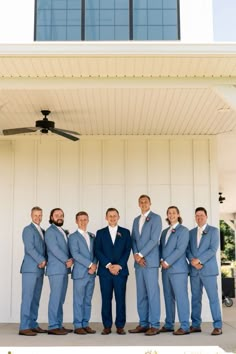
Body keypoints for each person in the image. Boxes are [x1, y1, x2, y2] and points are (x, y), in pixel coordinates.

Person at [94, 208, 131, 335]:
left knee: (120, 299)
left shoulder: (125, 232)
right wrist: (109, 265)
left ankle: (120, 326)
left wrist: (119, 265)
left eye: (115, 216)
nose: (112, 218)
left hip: (121, 271)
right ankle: (107, 326)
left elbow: (127, 250)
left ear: (118, 217)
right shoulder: (100, 233)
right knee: (106, 299)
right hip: (105, 272)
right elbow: (97, 250)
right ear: (106, 217)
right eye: (110, 216)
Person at [129, 195, 162, 336]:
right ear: (138, 204)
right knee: (141, 294)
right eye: (141, 202)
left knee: (153, 294)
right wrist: (136, 255)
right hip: (139, 263)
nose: (143, 204)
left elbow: (154, 240)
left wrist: (141, 254)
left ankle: (154, 325)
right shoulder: (136, 220)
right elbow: (133, 239)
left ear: (150, 203)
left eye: (146, 202)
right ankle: (143, 323)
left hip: (150, 262)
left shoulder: (156, 218)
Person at [187, 207, 222, 335]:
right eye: (197, 215)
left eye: (201, 215)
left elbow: (213, 249)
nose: (199, 217)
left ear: (206, 216)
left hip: (209, 271)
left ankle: (218, 325)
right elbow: (187, 249)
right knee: (195, 298)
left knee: (213, 298)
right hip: (194, 271)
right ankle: (196, 325)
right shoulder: (190, 233)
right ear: (195, 217)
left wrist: (200, 261)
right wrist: (192, 261)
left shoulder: (214, 231)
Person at [159, 206, 190, 335]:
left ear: (178, 215)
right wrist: (161, 260)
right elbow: (161, 248)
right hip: (165, 270)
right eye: (169, 213)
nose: (171, 215)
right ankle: (169, 324)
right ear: (167, 215)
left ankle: (185, 326)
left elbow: (180, 249)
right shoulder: (164, 232)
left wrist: (167, 262)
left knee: (181, 297)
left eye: (173, 213)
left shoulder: (183, 230)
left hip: (178, 270)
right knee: (168, 297)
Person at [19, 206, 47, 336]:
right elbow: (29, 248)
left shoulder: (43, 230)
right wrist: (41, 260)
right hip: (30, 269)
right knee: (27, 297)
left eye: (40, 215)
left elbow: (46, 249)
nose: (38, 218)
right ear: (31, 215)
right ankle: (24, 327)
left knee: (36, 298)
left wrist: (45, 261)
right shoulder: (27, 230)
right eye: (35, 215)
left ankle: (33, 324)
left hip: (40, 269)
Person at [45, 208, 73, 335]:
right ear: (51, 217)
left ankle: (59, 324)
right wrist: (67, 260)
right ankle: (53, 326)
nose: (59, 217)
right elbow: (54, 249)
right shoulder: (50, 231)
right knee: (55, 297)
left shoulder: (62, 231)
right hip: (56, 269)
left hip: (64, 269)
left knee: (60, 298)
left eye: (61, 215)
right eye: (57, 215)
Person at [68, 211, 97, 335]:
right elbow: (75, 254)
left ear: (88, 220)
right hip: (80, 273)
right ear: (76, 221)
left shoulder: (92, 236)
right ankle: (78, 325)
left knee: (87, 300)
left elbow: (96, 253)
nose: (83, 221)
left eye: (85, 219)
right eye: (80, 219)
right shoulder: (73, 237)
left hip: (91, 273)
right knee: (78, 300)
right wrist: (90, 265)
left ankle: (85, 323)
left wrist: (94, 266)